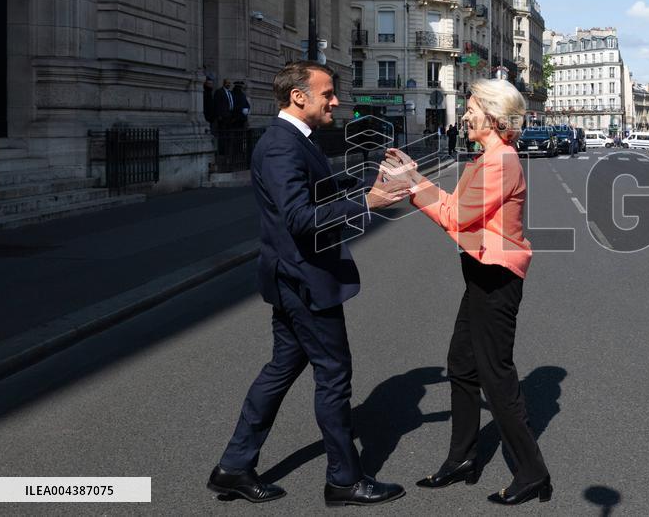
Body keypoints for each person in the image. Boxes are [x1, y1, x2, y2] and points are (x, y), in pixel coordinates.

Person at [207, 61, 410, 507]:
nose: (335, 101)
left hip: (292, 276)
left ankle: (234, 467)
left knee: (281, 369)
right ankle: (344, 479)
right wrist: (368, 202)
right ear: (299, 97)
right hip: (304, 277)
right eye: (327, 94)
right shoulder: (282, 146)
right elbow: (299, 219)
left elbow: (312, 192)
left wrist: (365, 183)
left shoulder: (294, 140)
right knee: (334, 377)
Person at [382, 79, 552, 506]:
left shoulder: (500, 161)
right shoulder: (489, 158)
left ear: (493, 116)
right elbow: (460, 213)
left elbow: (457, 218)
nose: (465, 114)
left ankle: (532, 473)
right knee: (461, 364)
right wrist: (415, 178)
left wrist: (410, 183)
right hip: (481, 273)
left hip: (496, 277)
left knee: (497, 377)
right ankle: (462, 459)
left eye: (472, 107)